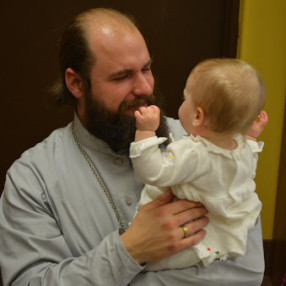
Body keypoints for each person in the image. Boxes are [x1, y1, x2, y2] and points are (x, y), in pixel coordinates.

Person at [0, 8, 265, 286]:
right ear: (76, 83)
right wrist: (128, 252)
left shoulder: (208, 143)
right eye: (121, 76)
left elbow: (246, 272)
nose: (144, 87)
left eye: (146, 68)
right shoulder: (31, 180)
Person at [129, 58, 268, 271]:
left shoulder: (194, 154)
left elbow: (155, 172)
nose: (181, 103)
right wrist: (251, 136)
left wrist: (145, 132)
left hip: (195, 239)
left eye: (185, 99)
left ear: (197, 116)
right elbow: (249, 166)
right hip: (229, 231)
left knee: (146, 266)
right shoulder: (241, 146)